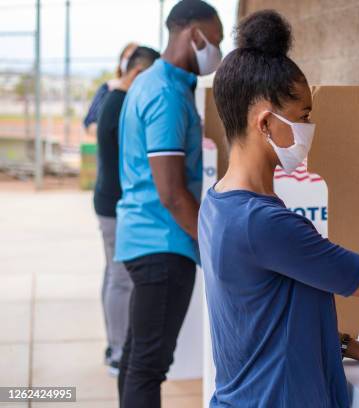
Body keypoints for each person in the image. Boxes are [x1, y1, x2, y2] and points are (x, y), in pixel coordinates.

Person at [199, 10, 359, 408]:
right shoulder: (261, 223)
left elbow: (269, 319)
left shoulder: (219, 204)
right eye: (304, 116)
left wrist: (350, 346)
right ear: (265, 123)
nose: (310, 128)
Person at [114, 1, 223, 407]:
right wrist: (212, 244)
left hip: (145, 238)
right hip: (162, 243)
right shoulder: (165, 95)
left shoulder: (154, 83)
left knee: (137, 357)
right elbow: (173, 193)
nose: (218, 48)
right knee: (148, 365)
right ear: (194, 34)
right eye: (216, 38)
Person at [94, 46, 160, 376]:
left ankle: (113, 344)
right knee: (120, 280)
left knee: (113, 276)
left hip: (107, 201)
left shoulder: (113, 98)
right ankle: (118, 352)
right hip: (114, 205)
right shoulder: (121, 105)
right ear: (136, 74)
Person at [83, 42, 138, 134]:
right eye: (127, 58)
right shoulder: (107, 88)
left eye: (133, 58)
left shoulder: (143, 92)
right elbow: (89, 122)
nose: (129, 62)